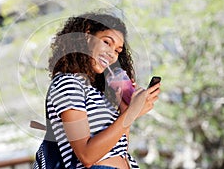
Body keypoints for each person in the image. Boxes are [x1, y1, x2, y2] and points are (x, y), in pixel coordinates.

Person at [45, 11, 161, 169]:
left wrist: (125, 107)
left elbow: (116, 150)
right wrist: (131, 112)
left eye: (117, 51)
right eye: (107, 42)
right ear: (87, 36)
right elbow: (87, 156)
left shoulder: (95, 93)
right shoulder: (67, 83)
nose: (112, 54)